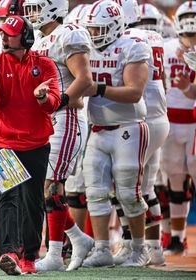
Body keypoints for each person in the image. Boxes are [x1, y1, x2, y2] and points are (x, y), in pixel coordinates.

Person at [0, 15, 61, 275]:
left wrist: (42, 98)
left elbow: (55, 103)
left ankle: (28, 258)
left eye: (9, 34)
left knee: (32, 201)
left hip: (36, 142)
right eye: (1, 33)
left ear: (25, 37)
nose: (3, 38)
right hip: (2, 141)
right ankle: (8, 253)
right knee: (8, 197)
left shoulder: (45, 65)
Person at [23, 0, 95, 271]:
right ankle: (78, 239)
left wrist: (60, 100)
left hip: (66, 118)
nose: (32, 13)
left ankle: (55, 254)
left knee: (52, 185)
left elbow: (84, 79)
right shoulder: (40, 39)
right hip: (47, 118)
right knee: (46, 186)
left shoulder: (69, 34)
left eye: (36, 7)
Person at [82, 0, 151, 267]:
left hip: (129, 127)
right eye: (92, 29)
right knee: (95, 191)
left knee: (129, 193)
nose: (94, 35)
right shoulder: (86, 47)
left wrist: (98, 89)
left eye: (99, 29)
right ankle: (101, 248)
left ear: (113, 27)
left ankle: (139, 248)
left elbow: (135, 92)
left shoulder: (132, 46)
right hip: (98, 129)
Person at [110, 0, 169, 266]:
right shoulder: (153, 36)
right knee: (147, 187)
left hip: (139, 117)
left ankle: (132, 245)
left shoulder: (127, 39)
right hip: (159, 114)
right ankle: (154, 247)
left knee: (124, 186)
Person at [161, 0, 196, 255]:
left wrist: (186, 88)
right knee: (174, 178)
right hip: (170, 122)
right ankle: (176, 237)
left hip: (193, 122)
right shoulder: (166, 48)